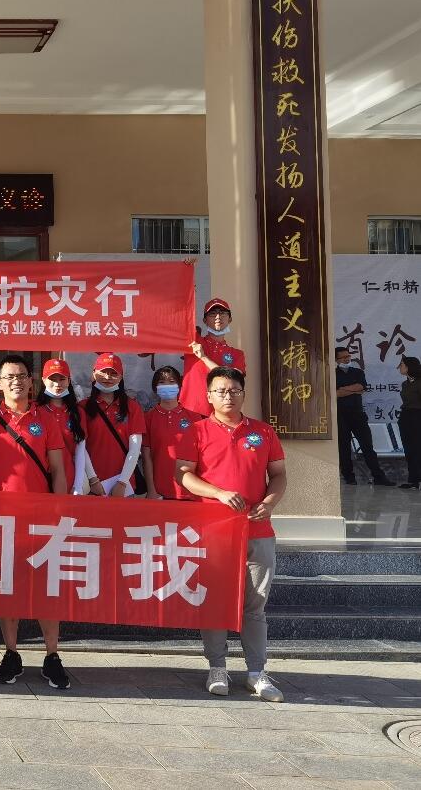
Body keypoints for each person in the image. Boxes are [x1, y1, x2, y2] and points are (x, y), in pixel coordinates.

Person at [176, 366, 287, 702]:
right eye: (221, 390)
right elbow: (184, 475)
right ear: (209, 396)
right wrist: (219, 493)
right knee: (215, 601)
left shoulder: (263, 432)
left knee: (255, 604)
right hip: (214, 531)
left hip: (258, 530)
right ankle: (217, 667)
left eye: (234, 390)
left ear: (243, 393)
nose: (228, 396)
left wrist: (269, 502)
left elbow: (278, 475)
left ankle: (257, 672)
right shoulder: (196, 431)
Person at [0, 355, 71, 690]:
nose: (16, 381)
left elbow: (58, 468)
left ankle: (52, 655)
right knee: (9, 588)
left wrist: (58, 510)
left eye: (22, 376)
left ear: (31, 382)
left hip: (41, 518)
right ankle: (11, 652)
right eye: (9, 377)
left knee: (46, 589)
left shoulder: (47, 419)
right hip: (3, 519)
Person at [80, 353, 145, 497]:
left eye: (113, 373)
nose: (108, 377)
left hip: (124, 487)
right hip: (93, 487)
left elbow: (135, 449)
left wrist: (122, 482)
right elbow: (80, 448)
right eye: (103, 371)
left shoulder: (132, 407)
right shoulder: (82, 407)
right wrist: (93, 480)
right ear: (94, 374)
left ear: (121, 377)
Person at [142, 365, 205, 500]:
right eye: (162, 382)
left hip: (191, 492)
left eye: (171, 382)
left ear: (179, 386)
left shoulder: (195, 417)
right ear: (155, 388)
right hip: (160, 492)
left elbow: (203, 454)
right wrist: (151, 490)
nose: (167, 386)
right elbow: (146, 458)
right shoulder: (148, 418)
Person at [37, 358, 97, 495]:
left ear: (69, 381)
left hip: (68, 480)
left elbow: (80, 451)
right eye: (52, 379)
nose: (57, 384)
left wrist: (78, 486)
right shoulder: (35, 411)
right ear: (43, 380)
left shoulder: (77, 412)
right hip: (40, 479)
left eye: (62, 379)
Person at [334, 347, 392, 486]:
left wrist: (343, 389)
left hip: (358, 414)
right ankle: (349, 477)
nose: (347, 359)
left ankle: (379, 477)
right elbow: (335, 393)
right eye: (343, 357)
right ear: (336, 360)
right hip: (340, 415)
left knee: (367, 446)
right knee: (344, 447)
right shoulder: (332, 374)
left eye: (348, 356)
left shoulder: (358, 372)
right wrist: (353, 390)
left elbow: (361, 387)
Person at [180, 298, 247, 417]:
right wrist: (188, 294)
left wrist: (204, 357)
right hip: (190, 411)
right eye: (212, 314)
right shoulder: (194, 340)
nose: (218, 317)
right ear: (204, 320)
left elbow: (232, 380)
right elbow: (180, 317)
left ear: (230, 319)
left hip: (221, 414)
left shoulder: (237, 354)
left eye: (222, 313)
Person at [397, 355, 421, 489]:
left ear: (409, 367)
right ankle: (413, 480)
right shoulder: (405, 383)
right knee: (409, 448)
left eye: (401, 364)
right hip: (406, 416)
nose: (399, 367)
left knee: (418, 448)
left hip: (418, 416)